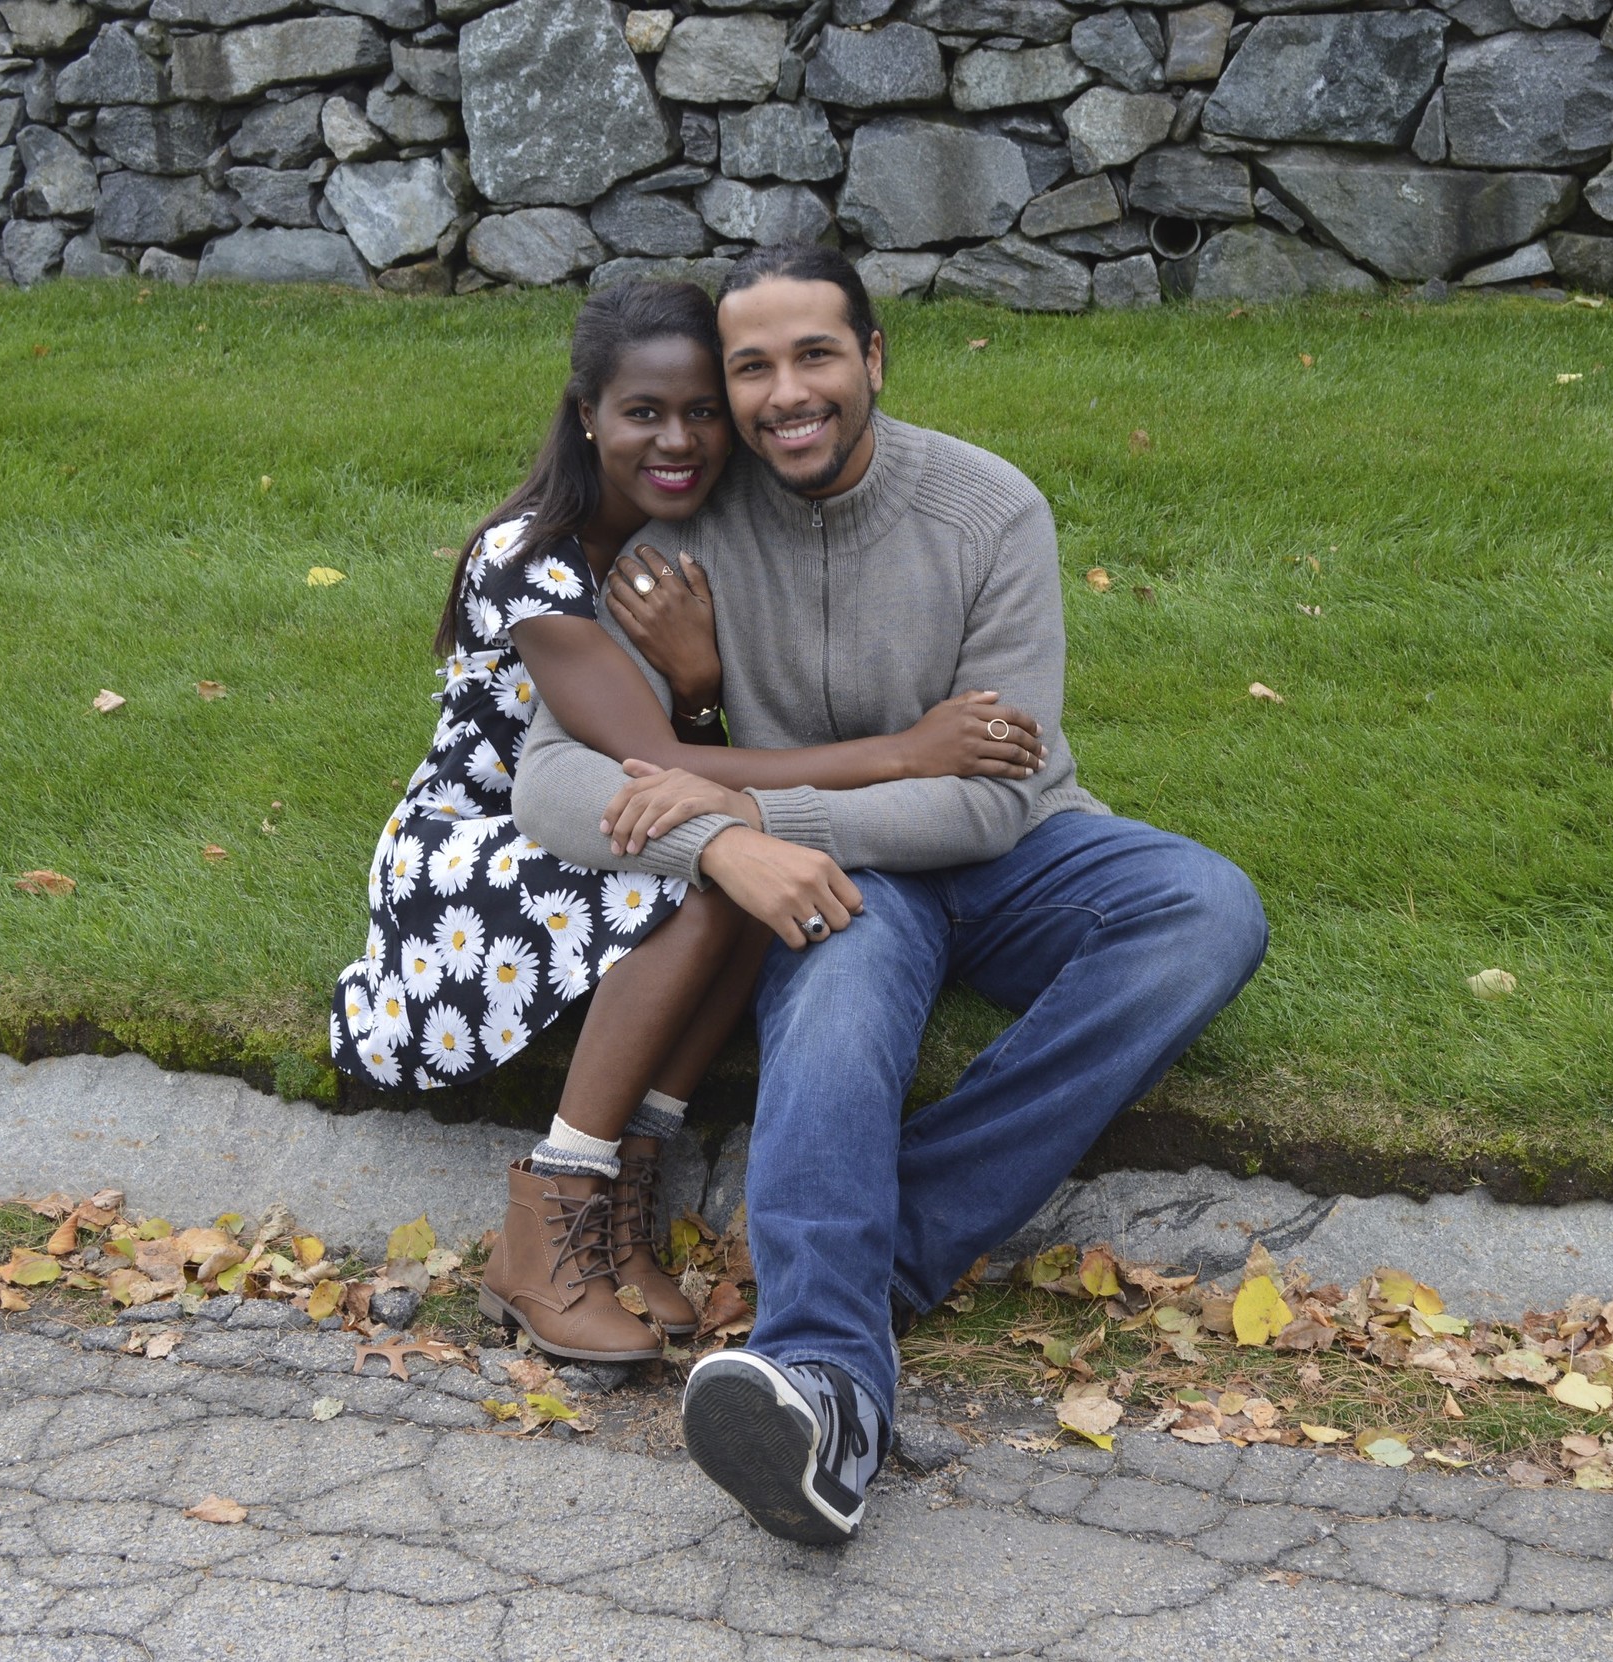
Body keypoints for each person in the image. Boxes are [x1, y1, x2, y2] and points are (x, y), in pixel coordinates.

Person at [508, 245, 1270, 1544]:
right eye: (753, 368)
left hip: (1013, 852)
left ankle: (884, 1239)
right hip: (851, 881)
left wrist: (754, 817)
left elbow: (989, 801)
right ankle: (824, 1385)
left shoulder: (989, 511)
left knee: (1207, 910)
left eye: (815, 354)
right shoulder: (680, 541)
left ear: (872, 357)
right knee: (842, 1003)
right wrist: (727, 850)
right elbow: (551, 780)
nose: (785, 393)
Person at [330, 280, 1053, 1366]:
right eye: (644, 413)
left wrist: (702, 682)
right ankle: (550, 1216)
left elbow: (686, 746)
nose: (678, 441)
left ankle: (626, 1206)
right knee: (706, 875)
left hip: (609, 814)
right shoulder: (533, 558)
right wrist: (906, 751)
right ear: (586, 415)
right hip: (471, 849)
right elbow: (650, 766)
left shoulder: (680, 540)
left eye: (702, 411)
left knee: (736, 862)